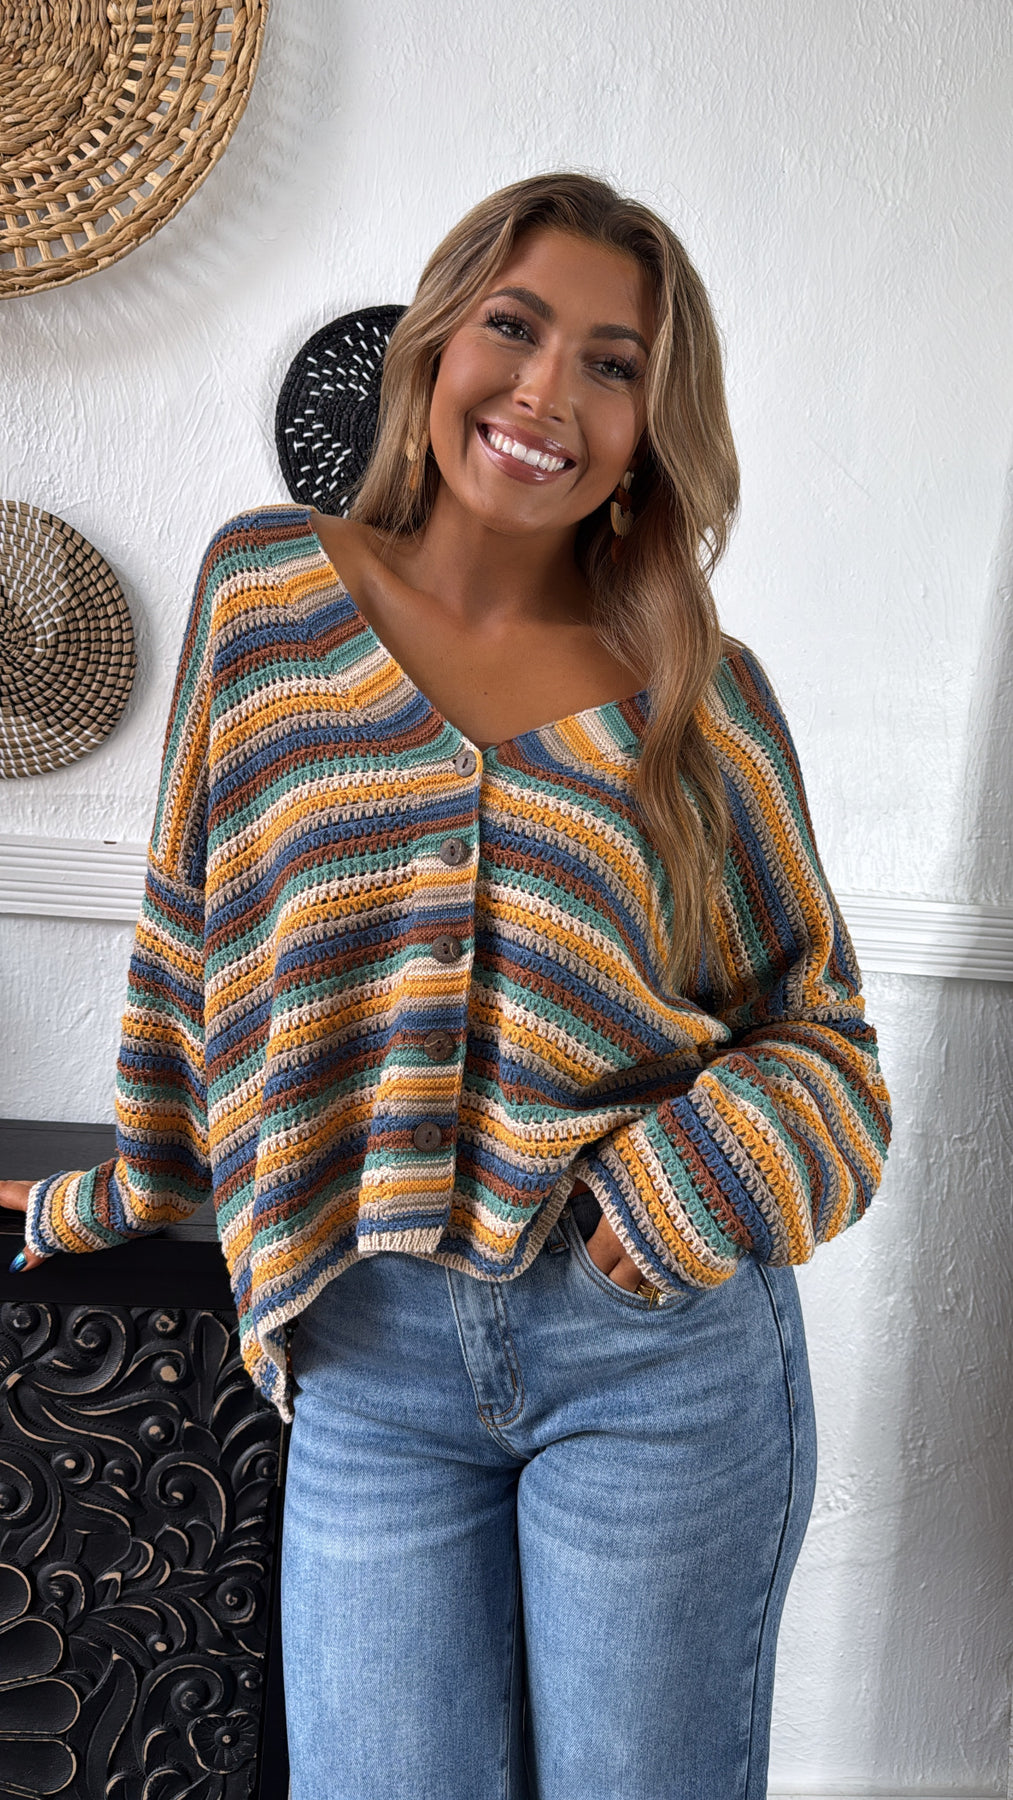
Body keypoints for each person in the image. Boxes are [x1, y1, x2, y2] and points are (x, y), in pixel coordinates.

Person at [1, 173, 891, 1798]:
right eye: (515, 327)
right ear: (434, 344)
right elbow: (193, 939)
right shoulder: (269, 594)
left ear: (649, 429)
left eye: (612, 365)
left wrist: (680, 1186)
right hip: (369, 1352)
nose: (548, 392)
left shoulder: (701, 698)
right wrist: (118, 1191)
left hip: (654, 1354)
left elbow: (820, 1038)